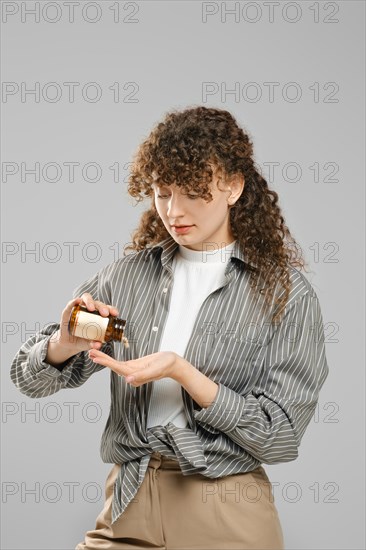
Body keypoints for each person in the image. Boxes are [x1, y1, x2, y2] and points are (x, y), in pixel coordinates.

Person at [10, 105, 329, 550]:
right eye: (162, 192)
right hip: (130, 496)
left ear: (233, 187)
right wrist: (64, 344)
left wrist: (184, 373)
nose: (174, 210)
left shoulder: (284, 294)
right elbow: (27, 379)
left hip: (226, 506)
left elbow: (279, 438)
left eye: (194, 192)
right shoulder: (128, 277)